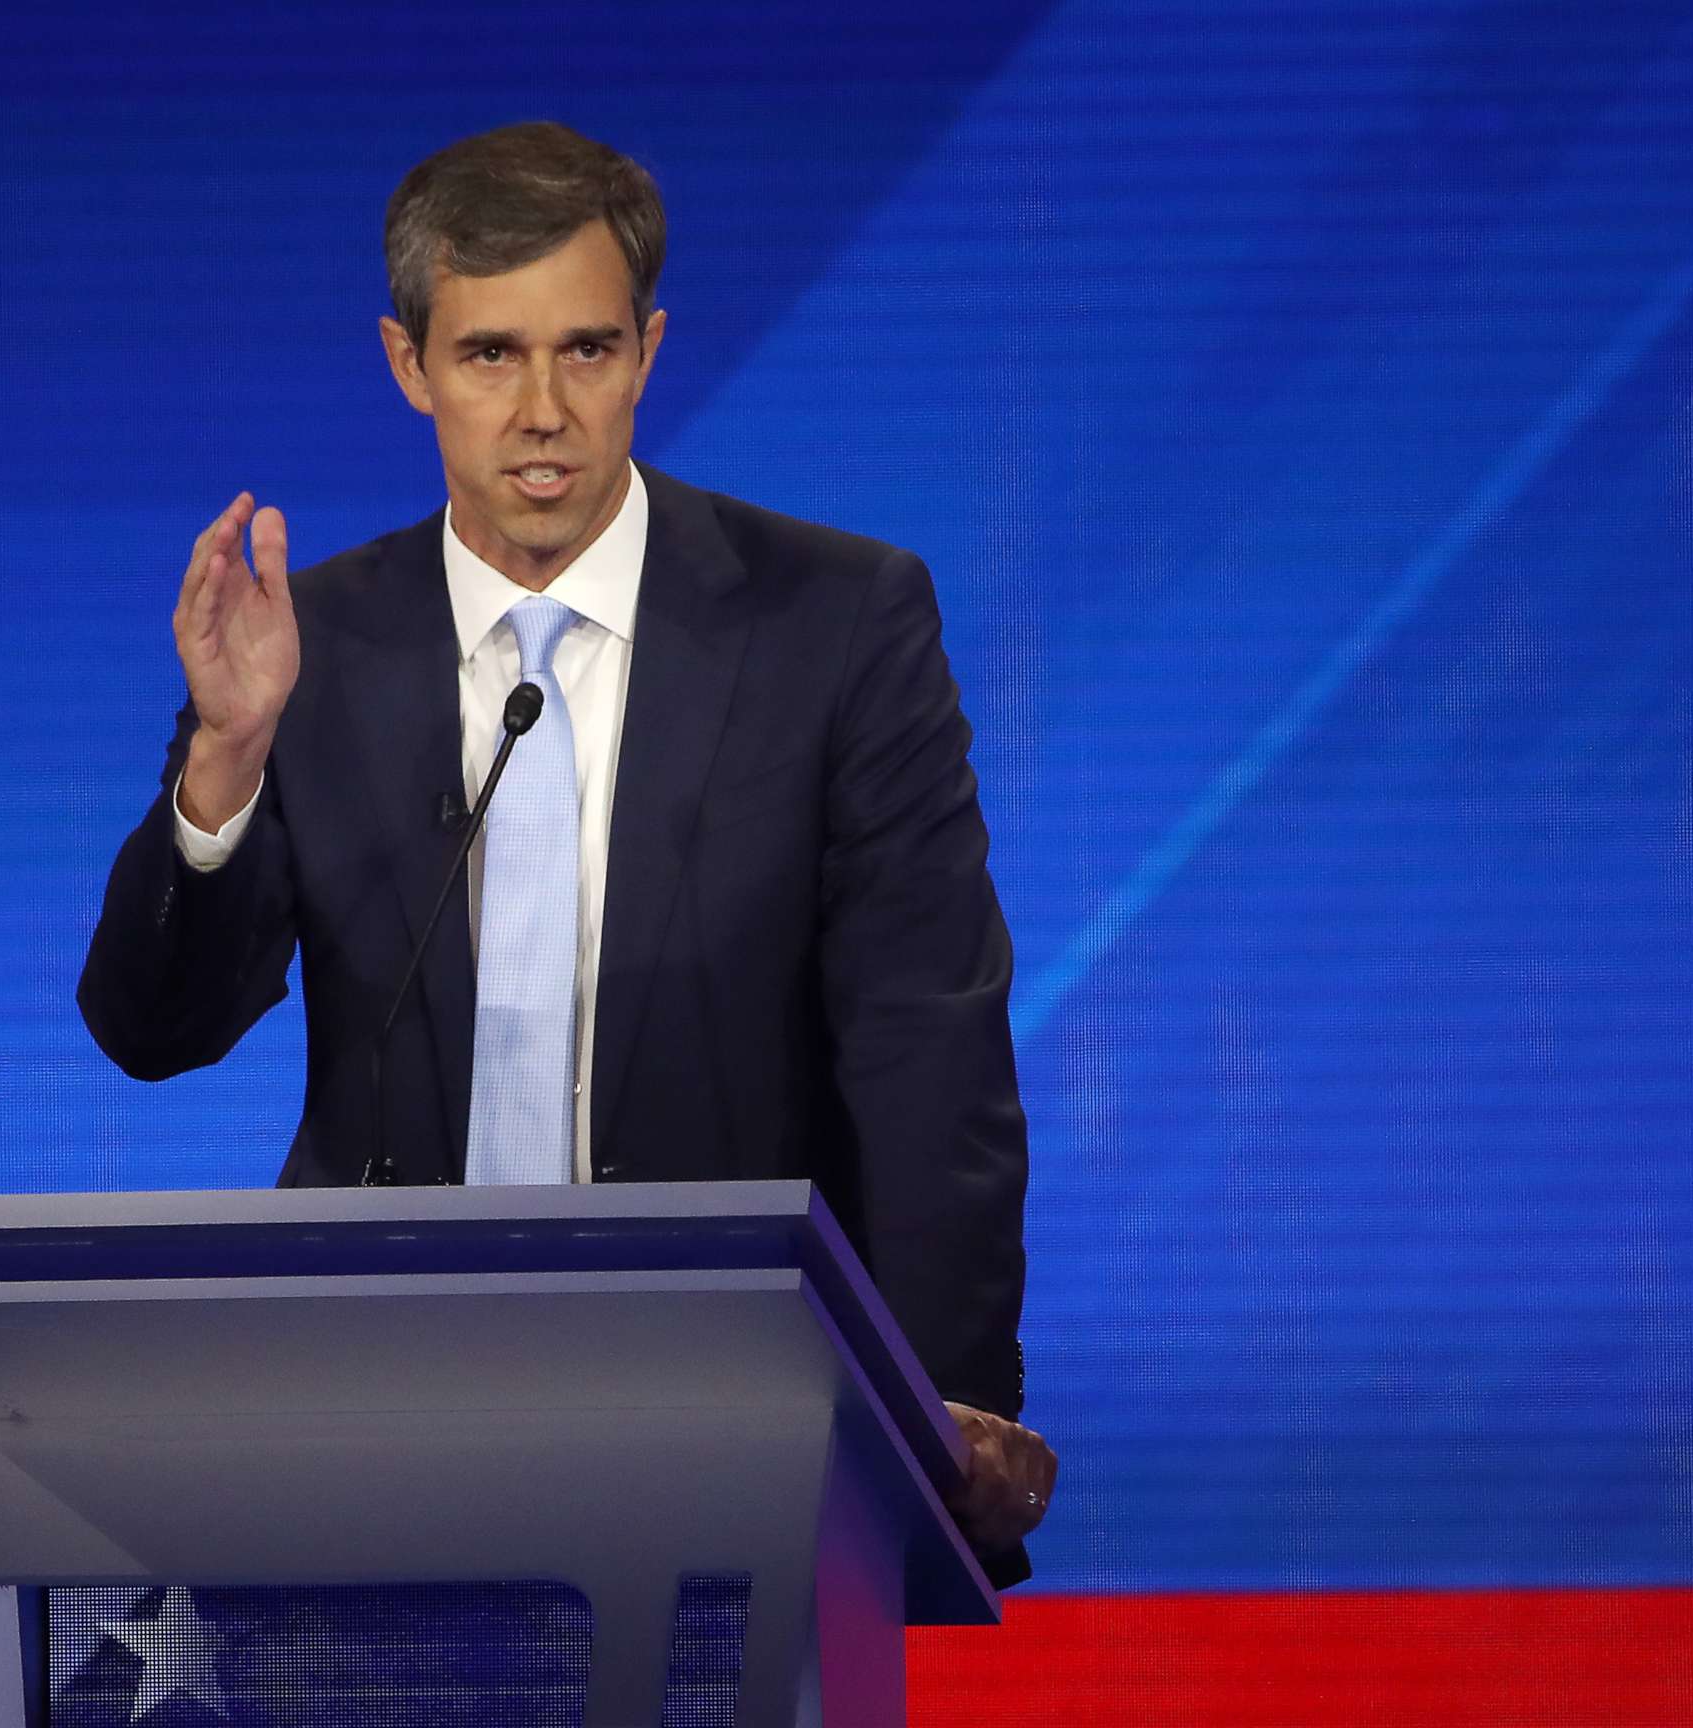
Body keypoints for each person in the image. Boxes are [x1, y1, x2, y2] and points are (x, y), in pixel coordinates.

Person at [78, 121, 1054, 1583]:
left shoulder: (833, 625)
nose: (542, 411)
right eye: (490, 357)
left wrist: (943, 1397)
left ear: (647, 354)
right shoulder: (315, 645)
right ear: (410, 365)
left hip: (736, 1416)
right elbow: (156, 1031)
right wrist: (227, 756)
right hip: (372, 1420)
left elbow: (927, 1038)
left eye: (586, 352)